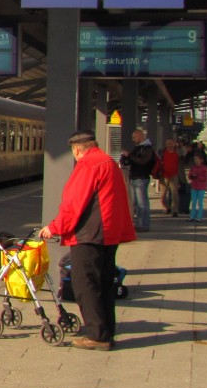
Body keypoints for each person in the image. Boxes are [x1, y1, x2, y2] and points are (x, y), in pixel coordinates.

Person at [39, 130, 136, 351]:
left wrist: (54, 227)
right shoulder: (108, 162)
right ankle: (106, 331)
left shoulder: (88, 166)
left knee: (85, 284)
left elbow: (74, 203)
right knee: (103, 283)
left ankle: (97, 336)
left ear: (76, 149)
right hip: (108, 233)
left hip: (90, 234)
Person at [120, 128, 156, 231]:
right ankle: (139, 223)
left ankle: (144, 224)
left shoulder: (147, 148)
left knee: (142, 203)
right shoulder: (138, 148)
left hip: (141, 177)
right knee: (136, 203)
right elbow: (132, 161)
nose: (133, 139)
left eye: (134, 137)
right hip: (135, 177)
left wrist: (129, 156)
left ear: (140, 136)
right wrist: (125, 159)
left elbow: (142, 161)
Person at [155, 139, 181, 216]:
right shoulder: (162, 152)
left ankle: (174, 210)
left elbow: (182, 160)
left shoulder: (178, 153)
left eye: (171, 144)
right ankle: (166, 208)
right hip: (163, 175)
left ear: (174, 144)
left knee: (174, 194)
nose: (169, 145)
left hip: (174, 175)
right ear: (165, 145)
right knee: (163, 194)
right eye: (168, 144)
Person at [188, 153, 207, 222]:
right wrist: (192, 175)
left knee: (200, 202)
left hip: (201, 187)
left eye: (197, 159)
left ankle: (199, 216)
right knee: (193, 202)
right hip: (194, 187)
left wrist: (196, 176)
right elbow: (189, 176)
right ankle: (192, 216)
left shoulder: (204, 168)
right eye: (195, 159)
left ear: (201, 160)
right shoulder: (193, 168)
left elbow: (204, 178)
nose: (195, 161)